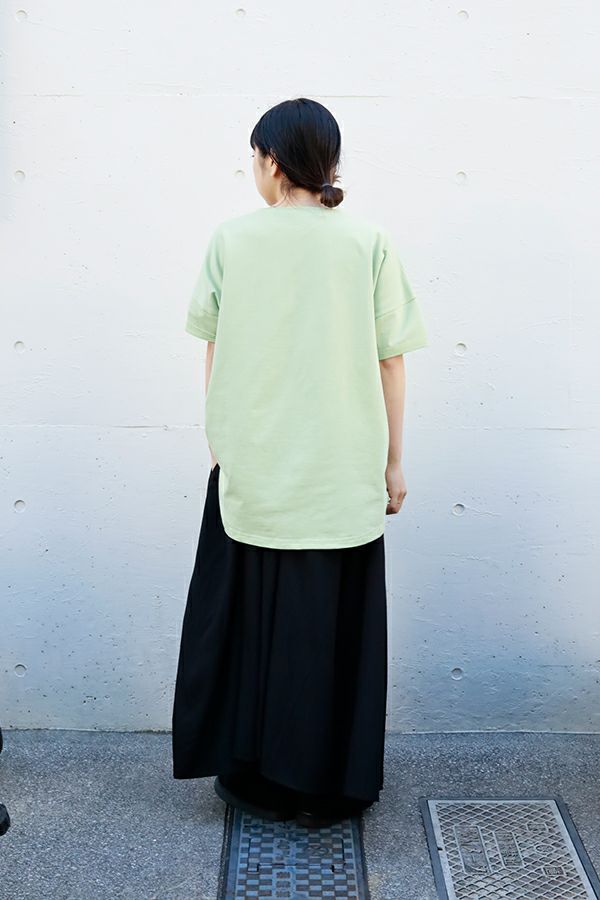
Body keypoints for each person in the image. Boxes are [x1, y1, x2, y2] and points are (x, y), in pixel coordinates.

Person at [171, 97, 429, 829]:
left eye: (255, 158)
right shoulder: (368, 241)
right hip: (341, 470)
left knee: (251, 626)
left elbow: (213, 346)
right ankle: (331, 786)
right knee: (333, 630)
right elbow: (390, 361)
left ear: (274, 162)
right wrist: (394, 462)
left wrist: (221, 441)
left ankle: (257, 776)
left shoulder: (232, 240)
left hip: (255, 467)